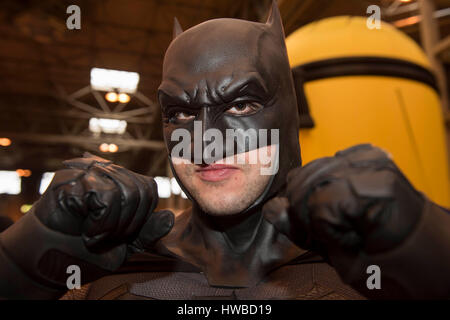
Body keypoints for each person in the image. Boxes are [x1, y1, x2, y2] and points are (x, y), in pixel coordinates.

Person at [0, 2, 449, 300]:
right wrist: (19, 264)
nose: (203, 138)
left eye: (241, 104)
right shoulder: (109, 268)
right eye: (179, 112)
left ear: (289, 117)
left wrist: (430, 250)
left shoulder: (370, 264)